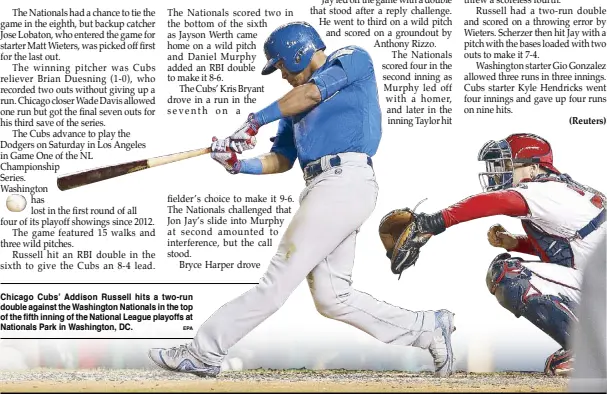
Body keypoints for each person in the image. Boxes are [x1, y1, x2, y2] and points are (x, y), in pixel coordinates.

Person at [148, 21, 455, 378]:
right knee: (333, 298)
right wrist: (238, 164)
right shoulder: (291, 107)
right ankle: (428, 327)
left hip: (344, 181)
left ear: (298, 52)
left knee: (278, 280)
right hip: (325, 187)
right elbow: (281, 159)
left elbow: (312, 94)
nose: (280, 74)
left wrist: (253, 122)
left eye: (280, 64)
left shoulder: (351, 59)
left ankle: (204, 351)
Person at [389, 133, 605, 376]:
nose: (498, 172)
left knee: (508, 274)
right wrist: (515, 243)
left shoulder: (544, 190)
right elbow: (572, 250)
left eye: (507, 165)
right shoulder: (561, 191)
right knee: (512, 269)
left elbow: (494, 202)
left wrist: (434, 222)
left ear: (534, 168)